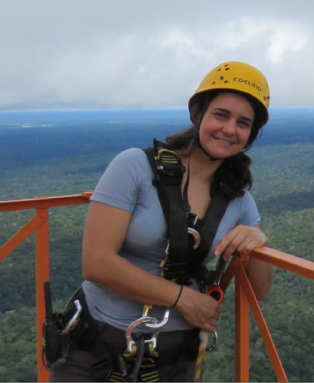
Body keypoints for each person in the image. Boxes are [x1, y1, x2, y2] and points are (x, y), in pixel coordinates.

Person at [51, 62, 274, 382]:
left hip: (176, 353)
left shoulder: (238, 200)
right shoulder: (134, 167)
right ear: (199, 114)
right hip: (98, 341)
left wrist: (259, 240)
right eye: (221, 115)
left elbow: (260, 289)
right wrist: (183, 299)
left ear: (250, 135)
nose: (229, 129)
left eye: (243, 123)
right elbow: (96, 262)